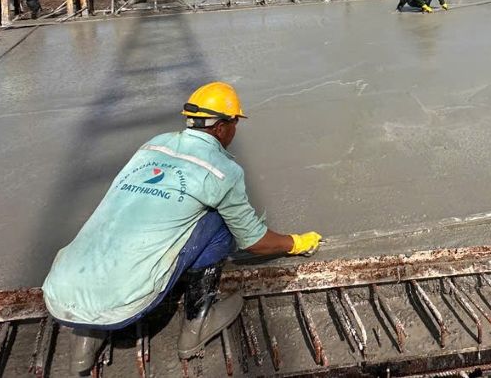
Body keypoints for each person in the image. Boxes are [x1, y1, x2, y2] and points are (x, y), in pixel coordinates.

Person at [42, 82, 323, 374]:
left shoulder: (152, 145)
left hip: (60, 294)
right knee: (222, 221)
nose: (234, 130)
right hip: (128, 302)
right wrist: (296, 242)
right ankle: (196, 326)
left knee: (124, 211)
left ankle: (84, 346)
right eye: (235, 123)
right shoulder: (221, 170)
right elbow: (252, 239)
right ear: (221, 127)